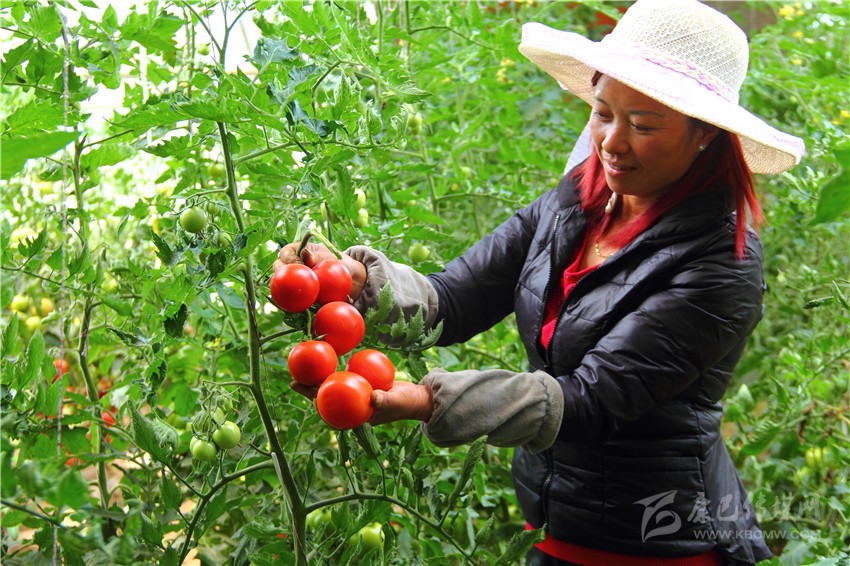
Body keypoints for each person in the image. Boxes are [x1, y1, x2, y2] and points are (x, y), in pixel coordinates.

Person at [275, 0, 805, 564]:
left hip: (657, 542)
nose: (611, 142)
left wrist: (428, 400)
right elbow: (454, 298)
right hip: (551, 526)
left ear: (705, 135)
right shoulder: (573, 204)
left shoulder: (721, 264)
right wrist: (354, 282)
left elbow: (588, 401)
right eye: (602, 112)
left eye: (643, 125)